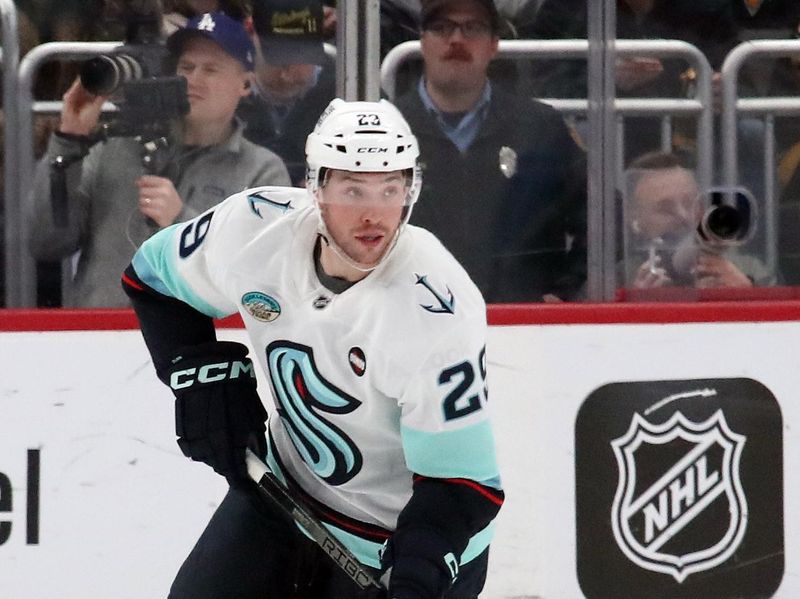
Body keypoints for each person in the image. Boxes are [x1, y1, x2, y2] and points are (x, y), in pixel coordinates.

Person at [121, 98, 504, 598]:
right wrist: (200, 380)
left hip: (401, 542)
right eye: (353, 188)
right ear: (316, 187)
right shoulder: (256, 226)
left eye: (391, 188)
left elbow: (464, 487)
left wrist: (416, 575)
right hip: (281, 493)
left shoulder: (436, 309)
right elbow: (152, 280)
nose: (374, 213)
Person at [27, 12, 291, 307]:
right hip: (97, 338)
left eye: (211, 69)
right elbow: (44, 241)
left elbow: (264, 276)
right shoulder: (114, 149)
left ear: (245, 84)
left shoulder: (261, 171)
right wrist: (68, 141)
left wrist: (183, 223)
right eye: (186, 67)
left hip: (203, 343)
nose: (193, 79)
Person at [393, 0, 587, 302]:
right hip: (415, 326)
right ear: (422, 41)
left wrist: (565, 290)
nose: (456, 39)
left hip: (523, 329)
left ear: (494, 45)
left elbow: (601, 217)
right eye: (442, 28)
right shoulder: (388, 130)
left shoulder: (539, 128)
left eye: (473, 28)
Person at [623, 151, 773, 290]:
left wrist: (746, 292)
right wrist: (637, 304)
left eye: (690, 203)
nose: (684, 216)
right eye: (665, 209)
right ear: (634, 216)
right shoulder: (616, 279)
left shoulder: (749, 268)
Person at [237, 0, 336, 186]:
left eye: (301, 57)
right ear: (251, 32)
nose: (287, 76)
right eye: (279, 60)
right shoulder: (223, 87)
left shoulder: (348, 91)